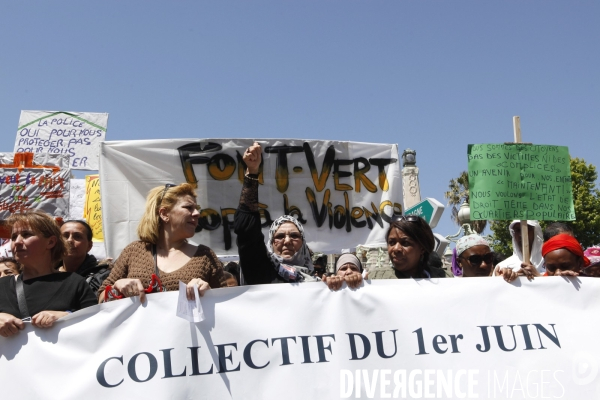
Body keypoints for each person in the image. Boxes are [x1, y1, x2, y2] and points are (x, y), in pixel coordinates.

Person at [98, 183, 227, 302]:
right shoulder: (134, 251)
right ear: (164, 214)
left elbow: (227, 303)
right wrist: (117, 287)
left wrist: (208, 292)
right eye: (189, 207)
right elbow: (101, 299)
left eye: (197, 208)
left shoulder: (205, 256)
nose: (197, 213)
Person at [0, 211, 97, 337]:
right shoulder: (2, 286)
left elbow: (96, 326)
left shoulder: (74, 282)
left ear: (50, 242)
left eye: (26, 235)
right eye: (13, 237)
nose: (17, 242)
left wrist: (67, 316)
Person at [234, 142, 317, 284]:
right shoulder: (260, 270)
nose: (287, 241)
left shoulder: (319, 284)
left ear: (303, 243)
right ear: (271, 243)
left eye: (294, 236)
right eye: (279, 236)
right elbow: (246, 230)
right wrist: (252, 173)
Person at [369, 215, 445, 279]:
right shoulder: (375, 279)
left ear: (422, 248)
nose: (396, 249)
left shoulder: (445, 279)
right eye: (392, 242)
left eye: (405, 243)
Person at [58, 220, 112, 294]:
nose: (70, 240)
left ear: (89, 246)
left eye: (77, 236)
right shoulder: (45, 273)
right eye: (65, 236)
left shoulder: (103, 277)